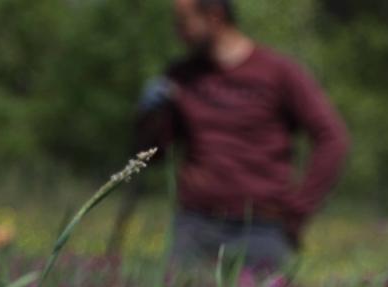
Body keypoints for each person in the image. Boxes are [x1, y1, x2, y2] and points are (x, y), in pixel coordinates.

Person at [131, 0, 350, 270]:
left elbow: (332, 138)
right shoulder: (181, 77)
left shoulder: (277, 72)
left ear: (214, 16)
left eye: (184, 22)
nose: (178, 33)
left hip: (262, 227)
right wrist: (150, 117)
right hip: (196, 225)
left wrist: (297, 212)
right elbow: (155, 154)